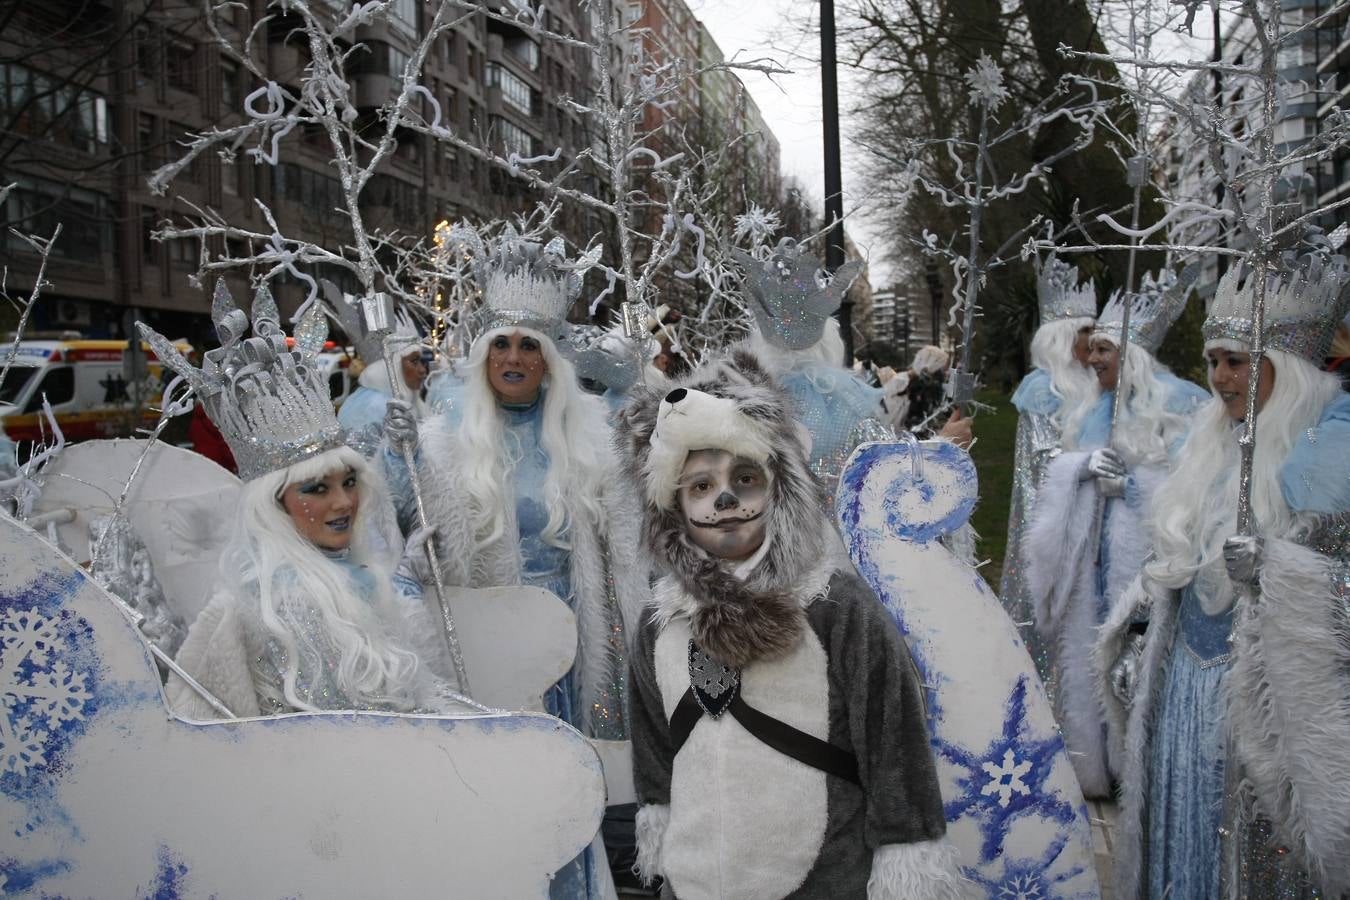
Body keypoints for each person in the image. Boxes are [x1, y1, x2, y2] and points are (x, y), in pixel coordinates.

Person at [614, 348, 964, 900]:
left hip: (823, 879)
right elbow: (656, 749)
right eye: (700, 487)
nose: (725, 499)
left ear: (780, 489)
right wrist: (659, 827)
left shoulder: (835, 605)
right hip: (696, 877)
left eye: (745, 478)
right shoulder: (662, 621)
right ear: (673, 508)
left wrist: (906, 843)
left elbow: (893, 741)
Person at [383, 231, 647, 899]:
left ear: (551, 359)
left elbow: (626, 552)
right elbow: (424, 556)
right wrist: (421, 535)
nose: (514, 356)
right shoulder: (443, 445)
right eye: (501, 342)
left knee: (574, 797)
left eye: (530, 344)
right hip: (494, 654)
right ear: (481, 356)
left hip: (579, 649)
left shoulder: (592, 440)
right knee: (506, 798)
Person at [1096, 252, 1350, 899]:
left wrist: (1281, 570)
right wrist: (1141, 636)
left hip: (1267, 712)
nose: (1219, 378)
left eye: (1236, 361)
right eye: (1213, 361)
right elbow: (1173, 563)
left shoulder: (1330, 456)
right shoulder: (1207, 444)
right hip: (1181, 691)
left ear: (1285, 372)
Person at [137, 281, 461, 720]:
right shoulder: (280, 606)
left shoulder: (350, 576)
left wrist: (400, 582)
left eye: (349, 482)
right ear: (273, 506)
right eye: (317, 489)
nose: (345, 502)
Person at [1022, 268, 1208, 799]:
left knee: (1137, 663)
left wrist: (1132, 487)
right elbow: (1057, 473)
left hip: (1145, 567)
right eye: (1093, 348)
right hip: (1090, 562)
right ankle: (1092, 765)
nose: (1094, 359)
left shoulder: (1179, 401)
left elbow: (1193, 488)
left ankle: (1137, 771)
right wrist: (1080, 473)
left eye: (1105, 350)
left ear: (1134, 355)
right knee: (1087, 658)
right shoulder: (1089, 407)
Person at [999, 256, 1100, 699]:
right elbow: (1044, 459)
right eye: (1085, 339)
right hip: (1056, 521)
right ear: (1062, 340)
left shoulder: (1094, 385)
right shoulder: (1043, 390)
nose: (1092, 349)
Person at [324, 280, 430, 457]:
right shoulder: (374, 407)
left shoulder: (401, 402)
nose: (423, 371)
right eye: (414, 362)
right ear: (393, 367)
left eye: (422, 362)